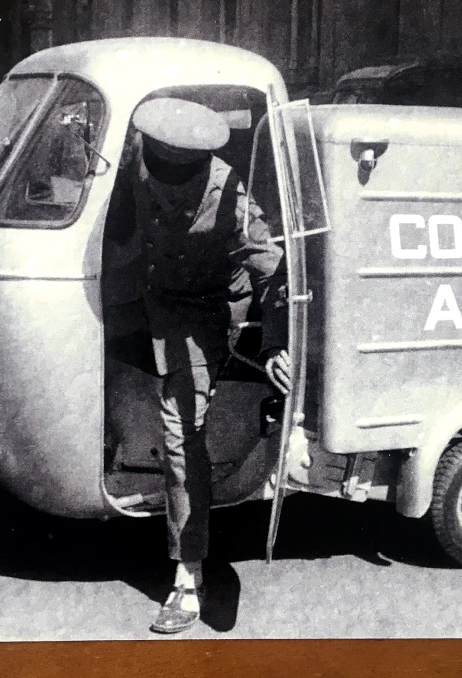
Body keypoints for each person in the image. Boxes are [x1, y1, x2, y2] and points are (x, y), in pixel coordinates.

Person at [106, 98, 292, 634]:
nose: (164, 186)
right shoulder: (136, 160)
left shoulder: (231, 196)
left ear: (199, 165)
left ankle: (188, 576)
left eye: (177, 177)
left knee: (182, 428)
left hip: (203, 311)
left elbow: (273, 275)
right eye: (155, 166)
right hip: (147, 294)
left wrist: (275, 344)